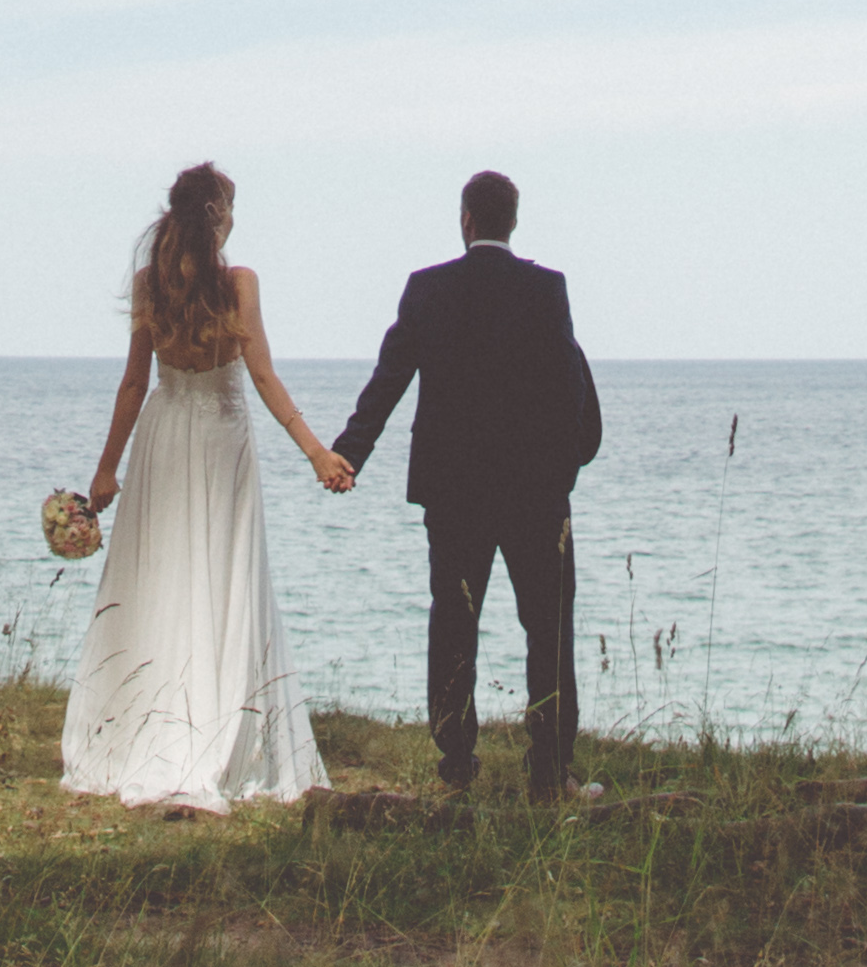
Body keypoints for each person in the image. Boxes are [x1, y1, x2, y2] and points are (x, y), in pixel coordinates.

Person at [60, 160, 353, 810]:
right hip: (221, 438)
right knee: (222, 576)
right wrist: (315, 451)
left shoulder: (149, 284)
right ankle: (218, 726)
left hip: (165, 434)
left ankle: (149, 720)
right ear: (218, 215)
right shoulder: (239, 283)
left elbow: (135, 384)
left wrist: (106, 469)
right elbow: (265, 377)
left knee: (161, 576)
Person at [328, 169, 603, 802]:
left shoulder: (428, 291)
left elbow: (389, 379)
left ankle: (456, 767)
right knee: (548, 627)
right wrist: (567, 469)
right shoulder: (546, 288)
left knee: (453, 621)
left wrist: (350, 453)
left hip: (453, 493)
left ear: (466, 220)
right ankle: (550, 771)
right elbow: (570, 387)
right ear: (513, 221)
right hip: (535, 494)